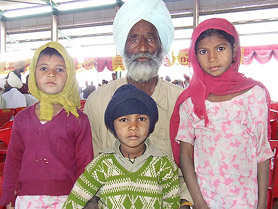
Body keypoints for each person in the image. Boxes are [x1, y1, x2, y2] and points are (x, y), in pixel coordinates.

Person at [84, 0, 192, 207]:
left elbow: (192, 167)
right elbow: (89, 170)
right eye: (133, 39)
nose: (143, 47)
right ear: (123, 45)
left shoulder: (182, 102)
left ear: (162, 45)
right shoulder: (97, 102)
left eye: (151, 38)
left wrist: (186, 202)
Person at [170, 18, 274, 209]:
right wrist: (199, 201)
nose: (212, 58)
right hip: (207, 198)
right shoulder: (191, 100)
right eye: (203, 51)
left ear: (234, 50)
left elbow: (262, 151)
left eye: (220, 48)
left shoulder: (254, 94)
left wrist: (261, 203)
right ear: (195, 56)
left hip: (246, 199)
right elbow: (185, 154)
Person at [0, 41, 94, 209]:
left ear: (70, 75)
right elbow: (13, 162)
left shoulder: (79, 120)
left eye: (59, 69)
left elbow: (84, 165)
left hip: (68, 200)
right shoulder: (21, 120)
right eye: (43, 68)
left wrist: (85, 201)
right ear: (33, 74)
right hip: (26, 200)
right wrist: (8, 197)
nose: (51, 74)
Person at [64, 84, 180, 209]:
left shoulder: (164, 164)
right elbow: (75, 200)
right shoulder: (101, 164)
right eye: (124, 120)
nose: (133, 126)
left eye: (141, 119)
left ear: (151, 124)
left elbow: (172, 203)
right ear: (112, 127)